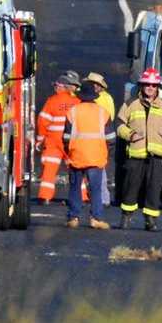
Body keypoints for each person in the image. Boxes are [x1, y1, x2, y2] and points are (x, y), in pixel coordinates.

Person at [115, 67, 162, 231]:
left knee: (154, 190)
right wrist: (130, 135)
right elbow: (119, 125)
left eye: (154, 85)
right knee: (130, 188)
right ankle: (126, 218)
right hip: (136, 155)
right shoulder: (131, 104)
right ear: (142, 85)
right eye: (147, 84)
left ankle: (150, 220)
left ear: (158, 87)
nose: (150, 87)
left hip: (156, 157)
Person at [62, 84, 114, 230]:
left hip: (76, 155)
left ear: (80, 97)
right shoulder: (103, 113)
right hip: (96, 156)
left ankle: (73, 217)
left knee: (75, 187)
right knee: (95, 189)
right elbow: (110, 138)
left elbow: (66, 137)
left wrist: (69, 151)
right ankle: (96, 218)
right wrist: (106, 152)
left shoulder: (72, 112)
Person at [35, 73, 80, 204]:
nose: (54, 88)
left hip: (53, 142)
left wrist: (40, 139)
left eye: (56, 86)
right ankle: (81, 197)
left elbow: (43, 122)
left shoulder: (52, 101)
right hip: (71, 141)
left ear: (61, 87)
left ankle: (45, 197)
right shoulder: (77, 102)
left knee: (49, 170)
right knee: (76, 169)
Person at [84, 72, 114, 206]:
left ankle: (103, 198)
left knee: (99, 169)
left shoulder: (105, 99)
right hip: (88, 137)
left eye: (95, 84)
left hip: (98, 138)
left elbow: (108, 118)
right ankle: (92, 196)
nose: (93, 86)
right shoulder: (88, 95)